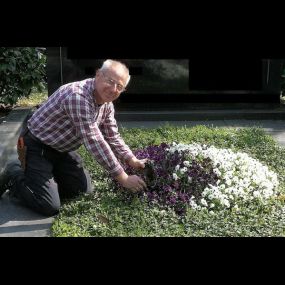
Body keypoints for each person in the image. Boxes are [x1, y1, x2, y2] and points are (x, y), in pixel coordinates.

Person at [0, 59, 147, 216]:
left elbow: (112, 136)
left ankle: (43, 176)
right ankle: (14, 173)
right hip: (36, 146)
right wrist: (123, 178)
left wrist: (132, 159)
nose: (113, 89)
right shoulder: (77, 96)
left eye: (120, 86)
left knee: (82, 190)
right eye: (110, 81)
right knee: (48, 205)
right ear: (98, 75)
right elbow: (94, 141)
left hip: (62, 150)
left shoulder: (106, 104)